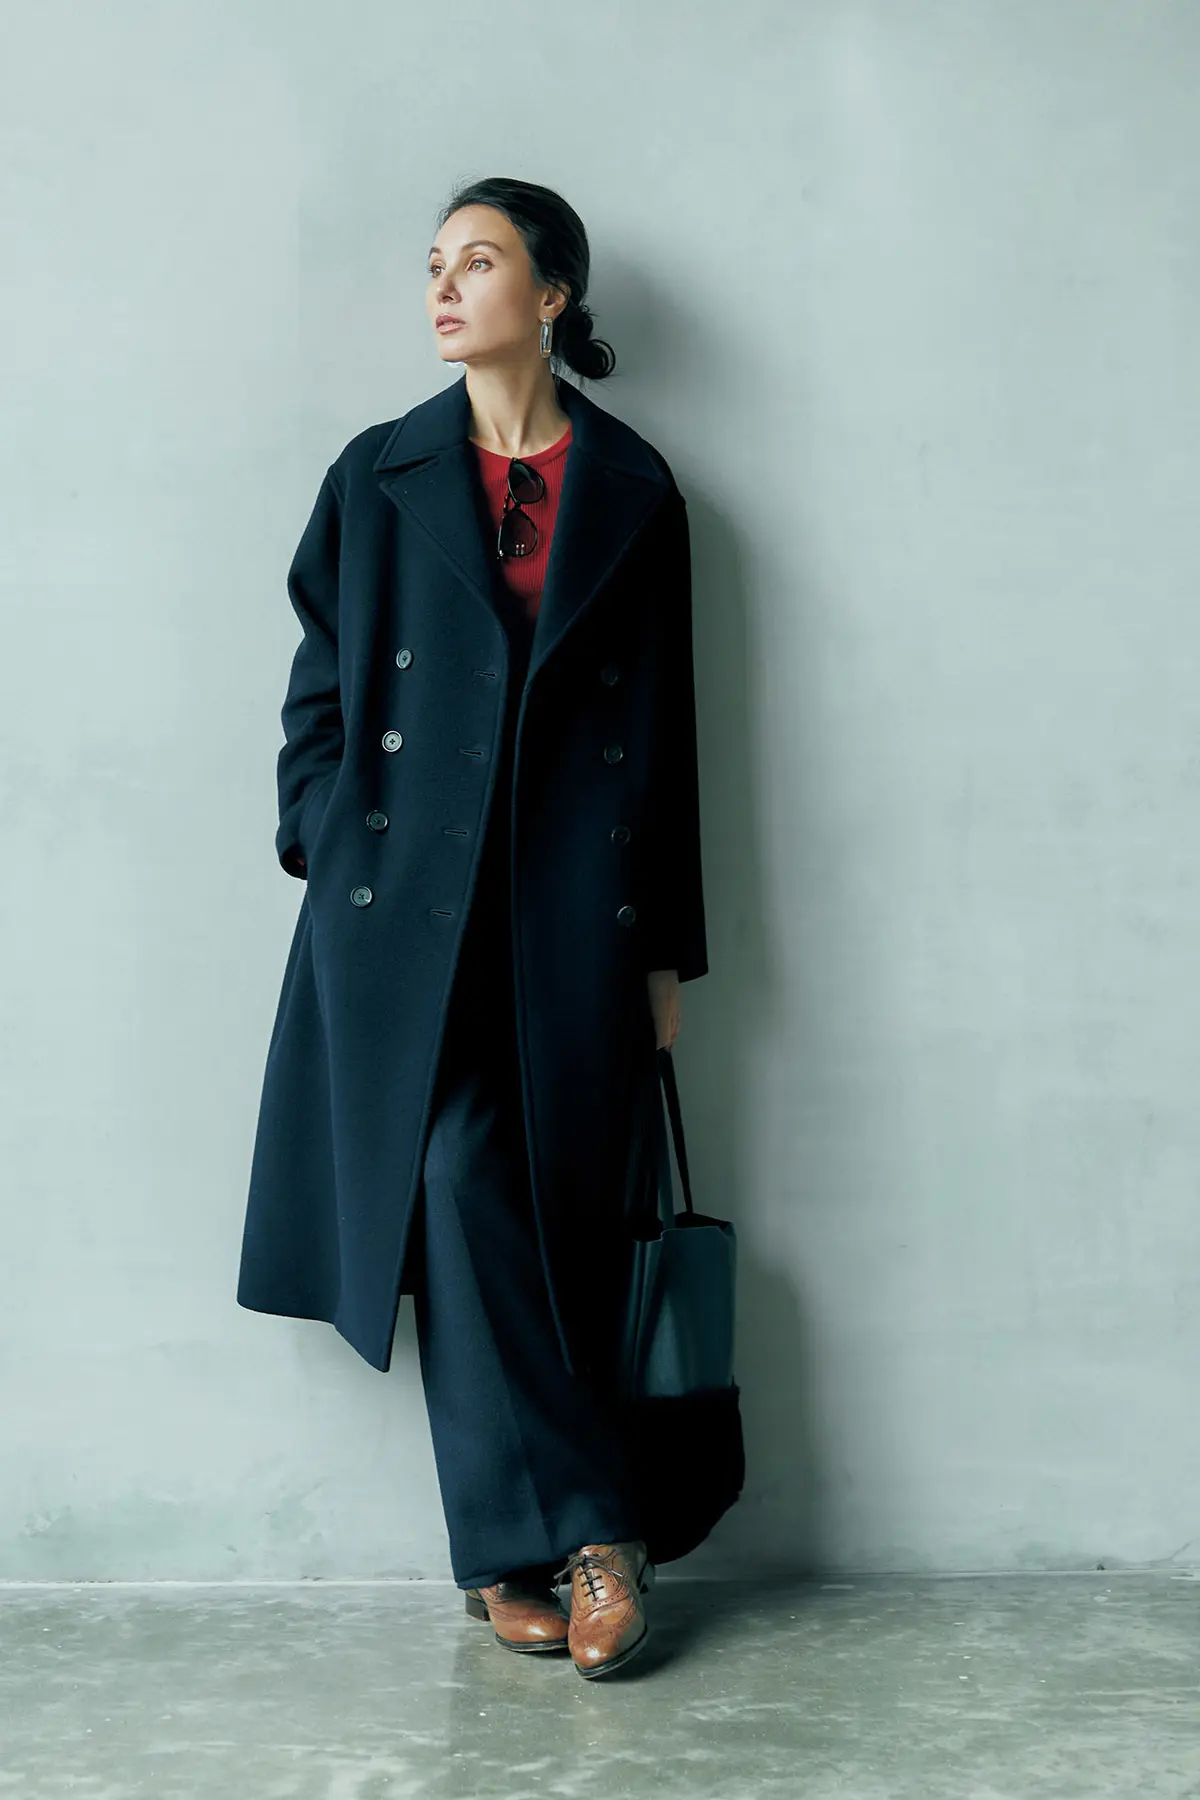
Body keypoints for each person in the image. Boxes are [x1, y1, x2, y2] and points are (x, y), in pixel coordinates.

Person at [237, 177, 708, 1679]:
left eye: (480, 261)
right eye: (434, 264)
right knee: (447, 1176)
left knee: (535, 1216)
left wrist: (666, 948)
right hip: (399, 922)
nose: (445, 287)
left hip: (568, 915)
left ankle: (505, 1555)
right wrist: (320, 830)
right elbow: (319, 685)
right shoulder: (377, 474)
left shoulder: (631, 487)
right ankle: (594, 1537)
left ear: (553, 294)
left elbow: (671, 736)